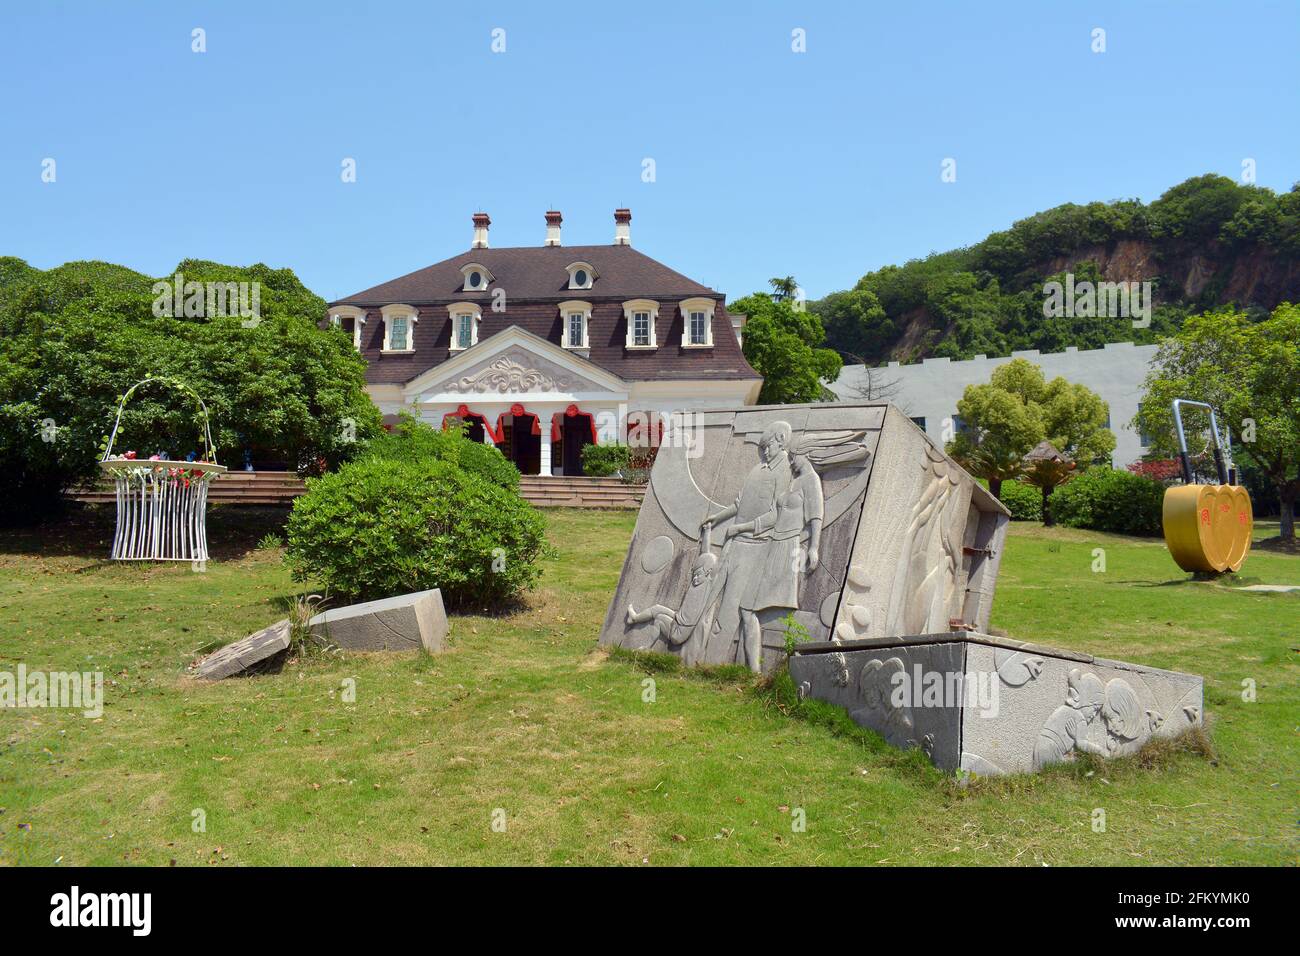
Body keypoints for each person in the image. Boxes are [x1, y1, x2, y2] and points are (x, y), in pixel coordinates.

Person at [625, 551, 718, 648]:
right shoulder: (696, 583)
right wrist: (706, 534)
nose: (695, 578)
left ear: (708, 572)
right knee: (657, 613)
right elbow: (704, 553)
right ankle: (636, 622)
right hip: (678, 620)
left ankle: (641, 634)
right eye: (694, 575)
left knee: (658, 615)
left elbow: (715, 565)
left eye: (698, 574)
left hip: (680, 631)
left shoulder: (708, 586)